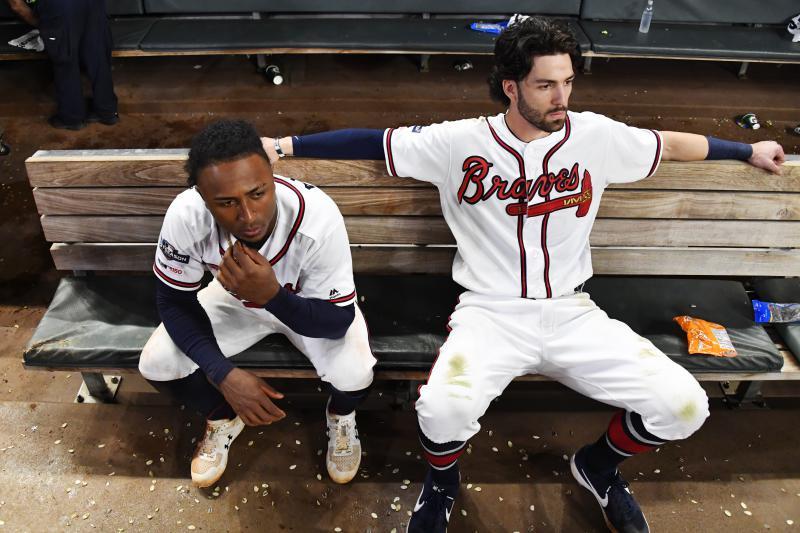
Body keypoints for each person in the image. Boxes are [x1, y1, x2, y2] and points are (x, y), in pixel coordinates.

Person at [261, 16, 785, 533]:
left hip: (573, 311)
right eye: (545, 85)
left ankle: (596, 469)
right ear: (510, 87)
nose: (562, 96)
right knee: (441, 411)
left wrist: (748, 149)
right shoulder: (459, 142)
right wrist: (284, 148)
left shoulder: (596, 135)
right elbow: (374, 142)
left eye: (568, 82)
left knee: (686, 406)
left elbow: (669, 144)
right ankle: (442, 484)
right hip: (491, 312)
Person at [138, 120, 376, 488]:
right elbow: (173, 302)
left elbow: (337, 322)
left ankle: (341, 415)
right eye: (227, 202)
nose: (248, 216)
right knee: (156, 363)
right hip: (235, 301)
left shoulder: (316, 216)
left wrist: (273, 297)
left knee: (355, 373)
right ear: (202, 197)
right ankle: (222, 418)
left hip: (306, 303)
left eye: (257, 193)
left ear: (272, 176)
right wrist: (223, 374)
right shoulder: (187, 215)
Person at [6, 0, 118, 130]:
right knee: (98, 57)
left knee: (65, 61)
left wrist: (43, 24)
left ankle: (72, 118)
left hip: (59, 7)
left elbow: (16, 4)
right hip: (94, 4)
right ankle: (107, 112)